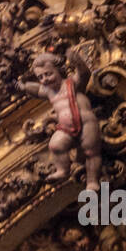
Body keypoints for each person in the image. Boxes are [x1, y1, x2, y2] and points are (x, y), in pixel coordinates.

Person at [19, 51, 102, 190]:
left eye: (48, 74)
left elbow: (84, 74)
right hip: (65, 127)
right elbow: (37, 90)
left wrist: (77, 62)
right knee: (55, 145)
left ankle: (92, 181)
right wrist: (23, 86)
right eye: (40, 77)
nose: (45, 79)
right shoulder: (49, 92)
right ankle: (63, 170)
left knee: (91, 152)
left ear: (59, 70)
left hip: (86, 122)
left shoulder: (71, 83)